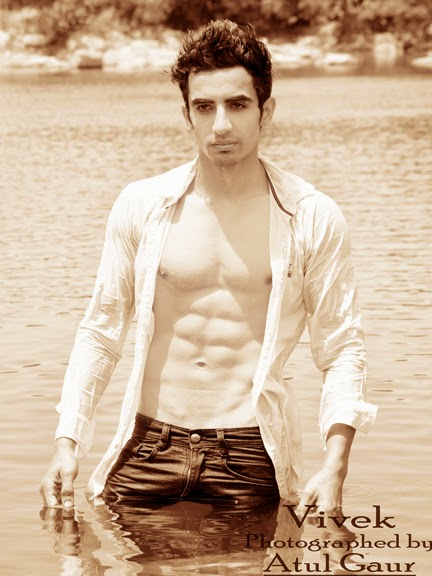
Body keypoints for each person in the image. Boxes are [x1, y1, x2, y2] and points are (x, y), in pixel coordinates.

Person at [40, 19, 377, 512]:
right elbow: (101, 330)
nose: (221, 125)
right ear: (187, 115)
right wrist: (67, 441)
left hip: (249, 451)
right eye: (204, 107)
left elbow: (341, 346)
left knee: (253, 554)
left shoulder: (310, 216)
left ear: (265, 111)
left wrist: (334, 466)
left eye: (237, 105)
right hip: (148, 445)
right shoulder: (143, 206)